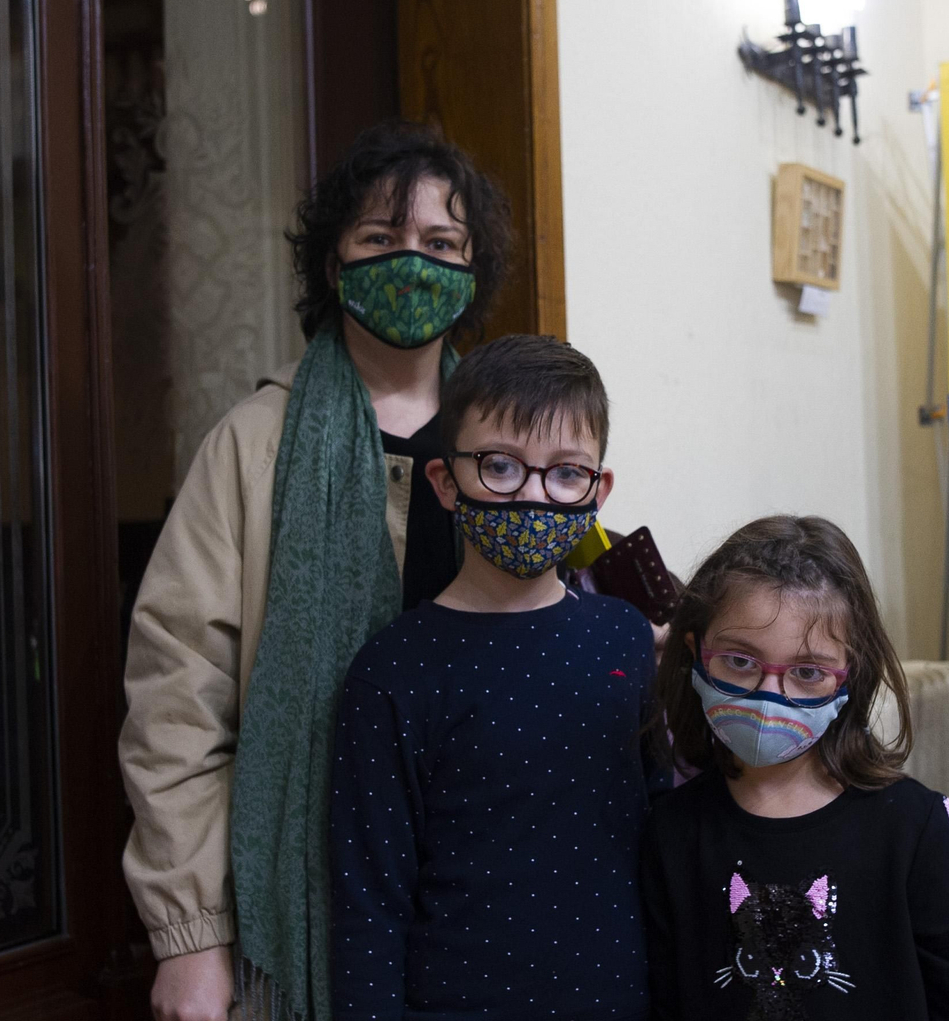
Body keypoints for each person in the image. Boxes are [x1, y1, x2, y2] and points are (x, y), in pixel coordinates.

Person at [118, 121, 513, 1021]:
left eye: (441, 244)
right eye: (380, 238)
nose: (411, 263)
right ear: (333, 267)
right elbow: (177, 702)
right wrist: (192, 938)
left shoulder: (510, 447)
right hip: (306, 903)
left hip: (482, 894)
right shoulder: (254, 447)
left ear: (474, 268)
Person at [328, 335, 656, 1020]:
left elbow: (663, 834)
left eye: (566, 473)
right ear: (447, 482)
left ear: (598, 491)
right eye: (501, 466)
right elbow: (368, 903)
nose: (535, 496)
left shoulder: (624, 638)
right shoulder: (393, 670)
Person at [642, 516, 949, 1021]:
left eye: (807, 672)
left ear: (849, 676)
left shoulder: (914, 826)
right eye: (739, 661)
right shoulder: (669, 834)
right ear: (695, 653)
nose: (770, 696)